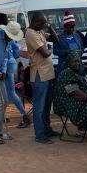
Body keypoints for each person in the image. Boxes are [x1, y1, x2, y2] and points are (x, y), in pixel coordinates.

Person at [25, 11, 59, 144]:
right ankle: (40, 135)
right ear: (37, 22)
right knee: (39, 107)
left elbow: (56, 40)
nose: (44, 25)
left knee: (46, 105)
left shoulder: (39, 32)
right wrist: (50, 51)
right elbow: (45, 53)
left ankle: (47, 129)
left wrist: (50, 27)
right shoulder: (31, 33)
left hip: (47, 73)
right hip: (39, 73)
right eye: (43, 23)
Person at [53, 50, 87, 139]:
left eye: (78, 61)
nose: (77, 63)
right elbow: (75, 93)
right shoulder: (66, 74)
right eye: (74, 61)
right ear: (69, 63)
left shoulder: (76, 73)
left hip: (76, 101)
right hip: (69, 104)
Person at [52, 10, 84, 75]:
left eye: (73, 27)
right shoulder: (58, 37)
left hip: (78, 68)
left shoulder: (77, 35)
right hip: (64, 68)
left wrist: (80, 52)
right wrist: (65, 51)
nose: (73, 29)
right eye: (70, 27)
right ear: (65, 27)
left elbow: (82, 47)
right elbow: (55, 51)